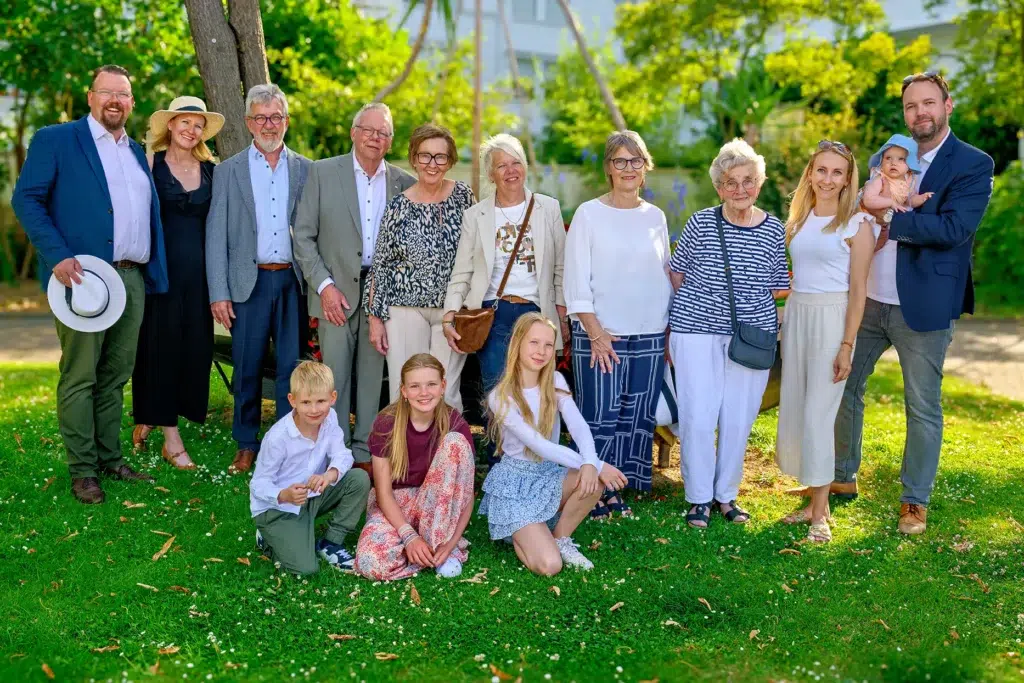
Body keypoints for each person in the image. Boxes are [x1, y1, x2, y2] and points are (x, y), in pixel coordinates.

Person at [812, 72, 994, 535]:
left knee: (922, 405)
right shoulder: (890, 156)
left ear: (947, 105)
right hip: (868, 298)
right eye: (912, 106)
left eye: (929, 103)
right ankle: (841, 475)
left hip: (925, 304)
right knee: (844, 385)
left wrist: (891, 217)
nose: (920, 113)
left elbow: (954, 229)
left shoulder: (972, 163)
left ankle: (915, 500)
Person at [12, 64, 168, 504]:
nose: (115, 101)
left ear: (132, 103)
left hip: (131, 277)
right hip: (82, 277)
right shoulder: (57, 140)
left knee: (115, 375)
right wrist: (57, 254)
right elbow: (26, 199)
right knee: (80, 375)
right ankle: (83, 471)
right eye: (107, 92)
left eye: (123, 94)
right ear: (90, 97)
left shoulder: (135, 151)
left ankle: (110, 458)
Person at [668, 139, 789, 529]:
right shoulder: (701, 222)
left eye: (748, 180)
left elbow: (777, 285)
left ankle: (726, 496)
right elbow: (677, 273)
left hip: (750, 337)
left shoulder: (773, 229)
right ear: (719, 188)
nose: (740, 189)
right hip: (696, 331)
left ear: (760, 183)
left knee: (738, 418)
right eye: (731, 182)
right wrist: (698, 311)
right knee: (698, 416)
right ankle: (698, 498)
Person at [293, 102, 415, 467]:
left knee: (372, 376)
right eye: (369, 130)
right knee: (334, 376)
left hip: (382, 294)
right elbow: (303, 237)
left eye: (383, 133)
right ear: (353, 133)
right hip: (335, 291)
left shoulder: (404, 184)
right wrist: (324, 286)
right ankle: (335, 449)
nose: (375, 138)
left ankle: (364, 451)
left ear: (390, 140)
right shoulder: (322, 172)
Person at [563, 130, 672, 516]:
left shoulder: (655, 216)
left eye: (635, 160)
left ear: (645, 167)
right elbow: (575, 281)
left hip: (650, 334)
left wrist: (669, 328)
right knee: (599, 414)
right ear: (608, 168)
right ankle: (590, 487)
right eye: (620, 161)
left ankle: (619, 484)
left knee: (635, 412)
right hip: (601, 333)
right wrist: (595, 333)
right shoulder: (589, 214)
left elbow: (664, 273)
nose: (628, 168)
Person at [205, 84, 312, 475]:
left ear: (287, 121)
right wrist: (219, 292)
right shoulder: (228, 171)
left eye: (276, 117)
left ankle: (285, 445)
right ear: (249, 123)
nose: (269, 124)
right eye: (261, 117)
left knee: (291, 370)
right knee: (247, 368)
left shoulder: (306, 169)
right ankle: (246, 443)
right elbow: (216, 236)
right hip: (246, 285)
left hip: (292, 283)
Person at [775, 141, 875, 543]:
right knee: (800, 408)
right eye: (821, 170)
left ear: (848, 179)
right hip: (798, 315)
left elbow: (858, 291)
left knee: (819, 413)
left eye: (837, 172)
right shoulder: (799, 219)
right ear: (810, 174)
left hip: (833, 320)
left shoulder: (857, 224)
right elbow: (799, 274)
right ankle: (815, 503)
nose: (828, 179)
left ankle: (819, 516)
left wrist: (847, 345)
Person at [479, 313, 628, 575]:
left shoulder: (555, 381)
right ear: (517, 344)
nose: (541, 351)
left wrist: (591, 464)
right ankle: (521, 532)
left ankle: (561, 538)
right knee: (550, 566)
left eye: (548, 345)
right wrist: (597, 464)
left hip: (547, 475)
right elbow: (539, 445)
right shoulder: (501, 396)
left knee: (593, 479)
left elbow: (578, 426)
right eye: (534, 342)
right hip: (516, 485)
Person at [132, 96, 223, 469]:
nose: (191, 129)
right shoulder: (149, 164)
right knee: (160, 352)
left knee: (194, 354)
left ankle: (152, 415)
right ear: (169, 125)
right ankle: (172, 440)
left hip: (200, 280)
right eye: (185, 121)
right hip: (160, 276)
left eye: (198, 125)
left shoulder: (212, 171)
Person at [443, 133, 568, 400]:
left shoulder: (548, 208)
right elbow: (462, 272)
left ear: (524, 166)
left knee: (535, 392)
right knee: (497, 393)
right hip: (493, 314)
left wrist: (562, 315)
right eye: (502, 165)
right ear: (491, 174)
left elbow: (561, 268)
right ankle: (499, 430)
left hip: (537, 312)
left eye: (516, 163)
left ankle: (535, 430)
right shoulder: (475, 215)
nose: (511, 171)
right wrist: (449, 315)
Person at [364, 123, 475, 411]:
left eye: (440, 156)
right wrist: (375, 318)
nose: (432, 164)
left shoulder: (463, 197)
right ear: (414, 158)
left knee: (446, 392)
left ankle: (449, 442)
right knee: (407, 389)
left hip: (451, 311)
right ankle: (402, 442)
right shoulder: (397, 206)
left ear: (450, 161)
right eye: (425, 155)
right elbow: (381, 264)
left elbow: (477, 252)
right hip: (404, 309)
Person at [354, 354, 476, 581]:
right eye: (415, 386)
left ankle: (438, 547)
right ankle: (420, 549)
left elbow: (466, 494)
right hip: (396, 504)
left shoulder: (455, 423)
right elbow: (383, 493)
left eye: (431, 384)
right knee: (370, 562)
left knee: (455, 442)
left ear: (443, 386)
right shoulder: (386, 422)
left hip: (437, 504)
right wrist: (408, 535)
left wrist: (450, 544)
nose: (424, 392)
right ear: (404, 391)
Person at [250, 361, 371, 574]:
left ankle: (331, 541)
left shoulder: (330, 418)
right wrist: (284, 494)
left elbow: (342, 454)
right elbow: (258, 484)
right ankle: (268, 537)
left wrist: (329, 475)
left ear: (332, 398)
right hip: (279, 508)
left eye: (321, 401)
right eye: (306, 402)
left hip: (312, 495)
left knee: (359, 478)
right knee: (306, 568)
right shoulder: (278, 437)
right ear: (292, 400)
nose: (314, 410)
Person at [861, 134, 932, 213]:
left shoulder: (909, 180)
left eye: (901, 159)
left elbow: (910, 200)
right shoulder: (880, 179)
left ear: (910, 165)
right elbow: (868, 200)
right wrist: (890, 202)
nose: (893, 163)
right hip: (868, 216)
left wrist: (922, 198)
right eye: (888, 158)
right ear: (881, 162)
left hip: (889, 217)